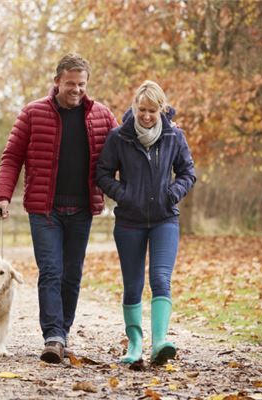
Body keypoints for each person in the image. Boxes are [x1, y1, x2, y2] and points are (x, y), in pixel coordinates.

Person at [0, 53, 117, 363]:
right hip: (44, 210)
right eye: (71, 84)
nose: (76, 90)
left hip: (82, 210)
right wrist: (2, 196)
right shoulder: (33, 113)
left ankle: (62, 332)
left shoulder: (102, 116)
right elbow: (12, 157)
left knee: (72, 274)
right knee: (51, 270)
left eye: (82, 84)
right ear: (57, 81)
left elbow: (122, 154)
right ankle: (53, 336)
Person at [96, 80, 196, 365]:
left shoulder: (174, 137)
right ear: (134, 108)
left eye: (153, 110)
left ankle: (160, 341)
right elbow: (102, 174)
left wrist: (172, 194)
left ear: (161, 109)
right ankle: (135, 344)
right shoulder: (119, 137)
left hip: (165, 219)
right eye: (142, 109)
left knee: (161, 279)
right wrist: (123, 196)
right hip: (129, 221)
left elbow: (188, 173)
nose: (147, 116)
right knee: (132, 284)